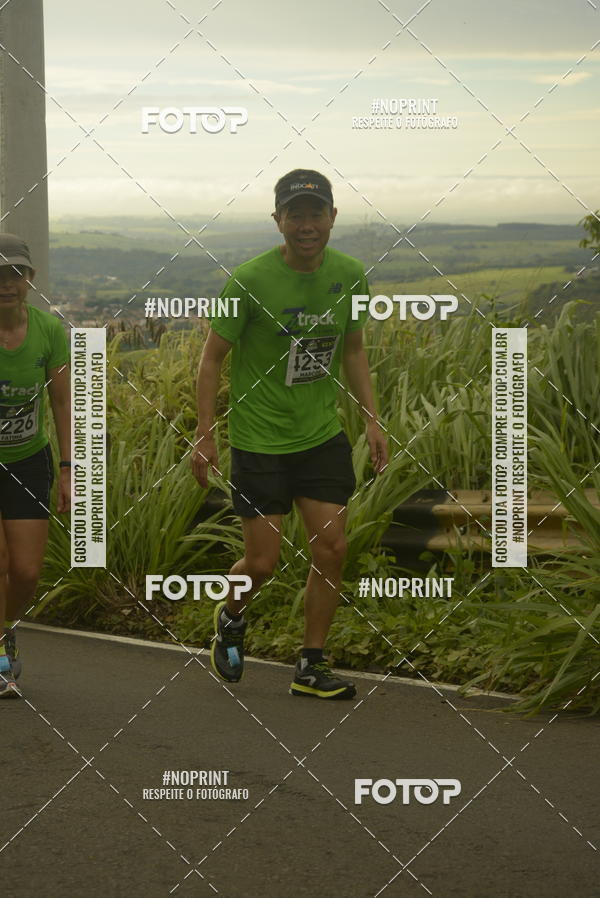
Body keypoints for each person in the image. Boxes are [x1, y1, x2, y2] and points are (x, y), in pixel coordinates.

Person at [191, 169, 388, 700]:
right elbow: (211, 360)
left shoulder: (350, 274)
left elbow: (353, 350)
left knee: (331, 548)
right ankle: (232, 615)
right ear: (278, 220)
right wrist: (205, 434)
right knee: (262, 562)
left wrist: (373, 419)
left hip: (320, 434)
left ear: (332, 218)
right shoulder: (249, 280)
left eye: (315, 213)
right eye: (295, 214)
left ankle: (310, 664)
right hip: (260, 439)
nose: (307, 224)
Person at [0, 233, 71, 699]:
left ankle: (6, 627)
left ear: (29, 278)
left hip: (28, 460)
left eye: (14, 274)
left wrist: (68, 468)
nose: (6, 283)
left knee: (25, 571)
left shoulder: (48, 330)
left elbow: (63, 401)